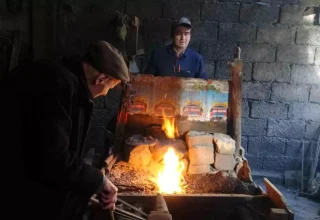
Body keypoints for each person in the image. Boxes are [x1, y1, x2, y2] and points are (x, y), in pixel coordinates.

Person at [0, 41, 130, 220]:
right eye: (109, 88)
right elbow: (53, 158)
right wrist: (98, 181)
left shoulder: (60, 77)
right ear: (101, 79)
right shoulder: (58, 86)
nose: (106, 93)